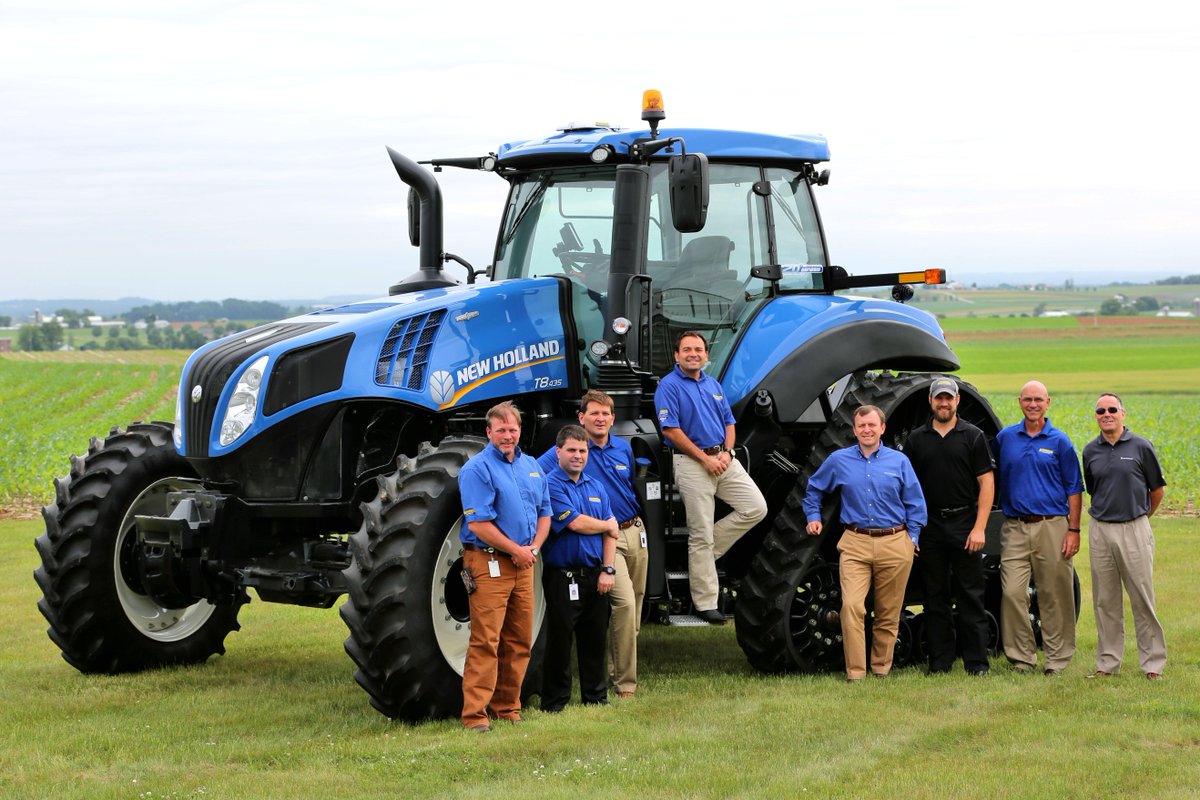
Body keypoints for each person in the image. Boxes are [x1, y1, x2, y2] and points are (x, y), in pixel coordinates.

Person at [803, 405, 927, 682]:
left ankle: (881, 668)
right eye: (862, 426)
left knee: (888, 611)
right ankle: (856, 673)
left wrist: (912, 538)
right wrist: (813, 517)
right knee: (851, 607)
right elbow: (814, 489)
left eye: (872, 425)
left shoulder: (899, 461)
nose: (867, 430)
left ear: (882, 428)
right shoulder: (839, 460)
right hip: (855, 542)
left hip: (895, 542)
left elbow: (915, 502)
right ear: (854, 430)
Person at [654, 331, 767, 624]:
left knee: (756, 508)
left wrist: (728, 453)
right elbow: (671, 430)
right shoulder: (668, 386)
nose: (693, 354)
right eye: (687, 349)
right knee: (700, 532)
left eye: (699, 350)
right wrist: (704, 459)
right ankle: (705, 604)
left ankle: (701, 556)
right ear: (677, 355)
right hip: (692, 463)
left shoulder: (713, 384)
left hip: (723, 458)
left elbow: (729, 423)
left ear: (706, 355)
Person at [539, 390, 647, 698]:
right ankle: (625, 685)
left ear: (613, 418)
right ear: (581, 417)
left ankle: (615, 670)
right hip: (604, 536)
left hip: (633, 530)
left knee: (635, 607)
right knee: (623, 604)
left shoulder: (622, 448)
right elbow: (534, 473)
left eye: (605, 414)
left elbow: (628, 489)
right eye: (594, 413)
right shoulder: (570, 448)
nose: (600, 419)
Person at [457, 401, 552, 732]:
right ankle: (475, 716)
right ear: (489, 432)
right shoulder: (476, 469)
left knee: (520, 640)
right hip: (488, 562)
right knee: (486, 640)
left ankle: (508, 708)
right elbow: (479, 524)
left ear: (520, 431)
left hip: (524, 563)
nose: (507, 435)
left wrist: (533, 548)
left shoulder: (532, 467)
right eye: (501, 430)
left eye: (512, 429)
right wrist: (516, 550)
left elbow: (545, 513)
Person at [903, 377, 995, 676]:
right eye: (939, 398)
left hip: (965, 523)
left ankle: (976, 662)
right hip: (929, 525)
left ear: (957, 401)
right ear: (931, 401)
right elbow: (908, 487)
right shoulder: (916, 439)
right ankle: (940, 662)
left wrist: (979, 528)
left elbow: (987, 483)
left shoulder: (973, 436)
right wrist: (913, 531)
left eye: (949, 398)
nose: (944, 403)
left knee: (971, 595)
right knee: (935, 597)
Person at [994, 380, 1083, 676]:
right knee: (1012, 592)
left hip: (1052, 525)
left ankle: (1057, 658)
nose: (1033, 404)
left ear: (1048, 403)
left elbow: (1074, 488)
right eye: (1027, 399)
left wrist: (1073, 530)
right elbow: (991, 478)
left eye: (1038, 399)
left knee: (1053, 593)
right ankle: (1022, 658)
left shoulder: (1060, 441)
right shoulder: (1005, 438)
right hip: (1015, 526)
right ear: (1020, 402)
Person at [1082, 393, 1167, 680]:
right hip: (1100, 530)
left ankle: (1153, 664)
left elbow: (1157, 490)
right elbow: (1094, 489)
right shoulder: (1090, 451)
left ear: (1122, 413)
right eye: (1100, 411)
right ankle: (1107, 663)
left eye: (1112, 409)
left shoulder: (1141, 446)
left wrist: (1141, 517)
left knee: (1142, 598)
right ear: (1096, 416)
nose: (1106, 414)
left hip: (1134, 527)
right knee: (1105, 600)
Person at [540, 424, 619, 712]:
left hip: (595, 575)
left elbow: (612, 534)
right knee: (559, 642)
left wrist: (608, 570)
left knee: (595, 639)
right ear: (558, 451)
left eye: (583, 451)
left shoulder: (596, 487)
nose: (578, 456)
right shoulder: (550, 485)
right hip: (562, 576)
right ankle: (554, 702)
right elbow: (574, 523)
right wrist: (606, 524)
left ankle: (595, 698)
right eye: (571, 450)